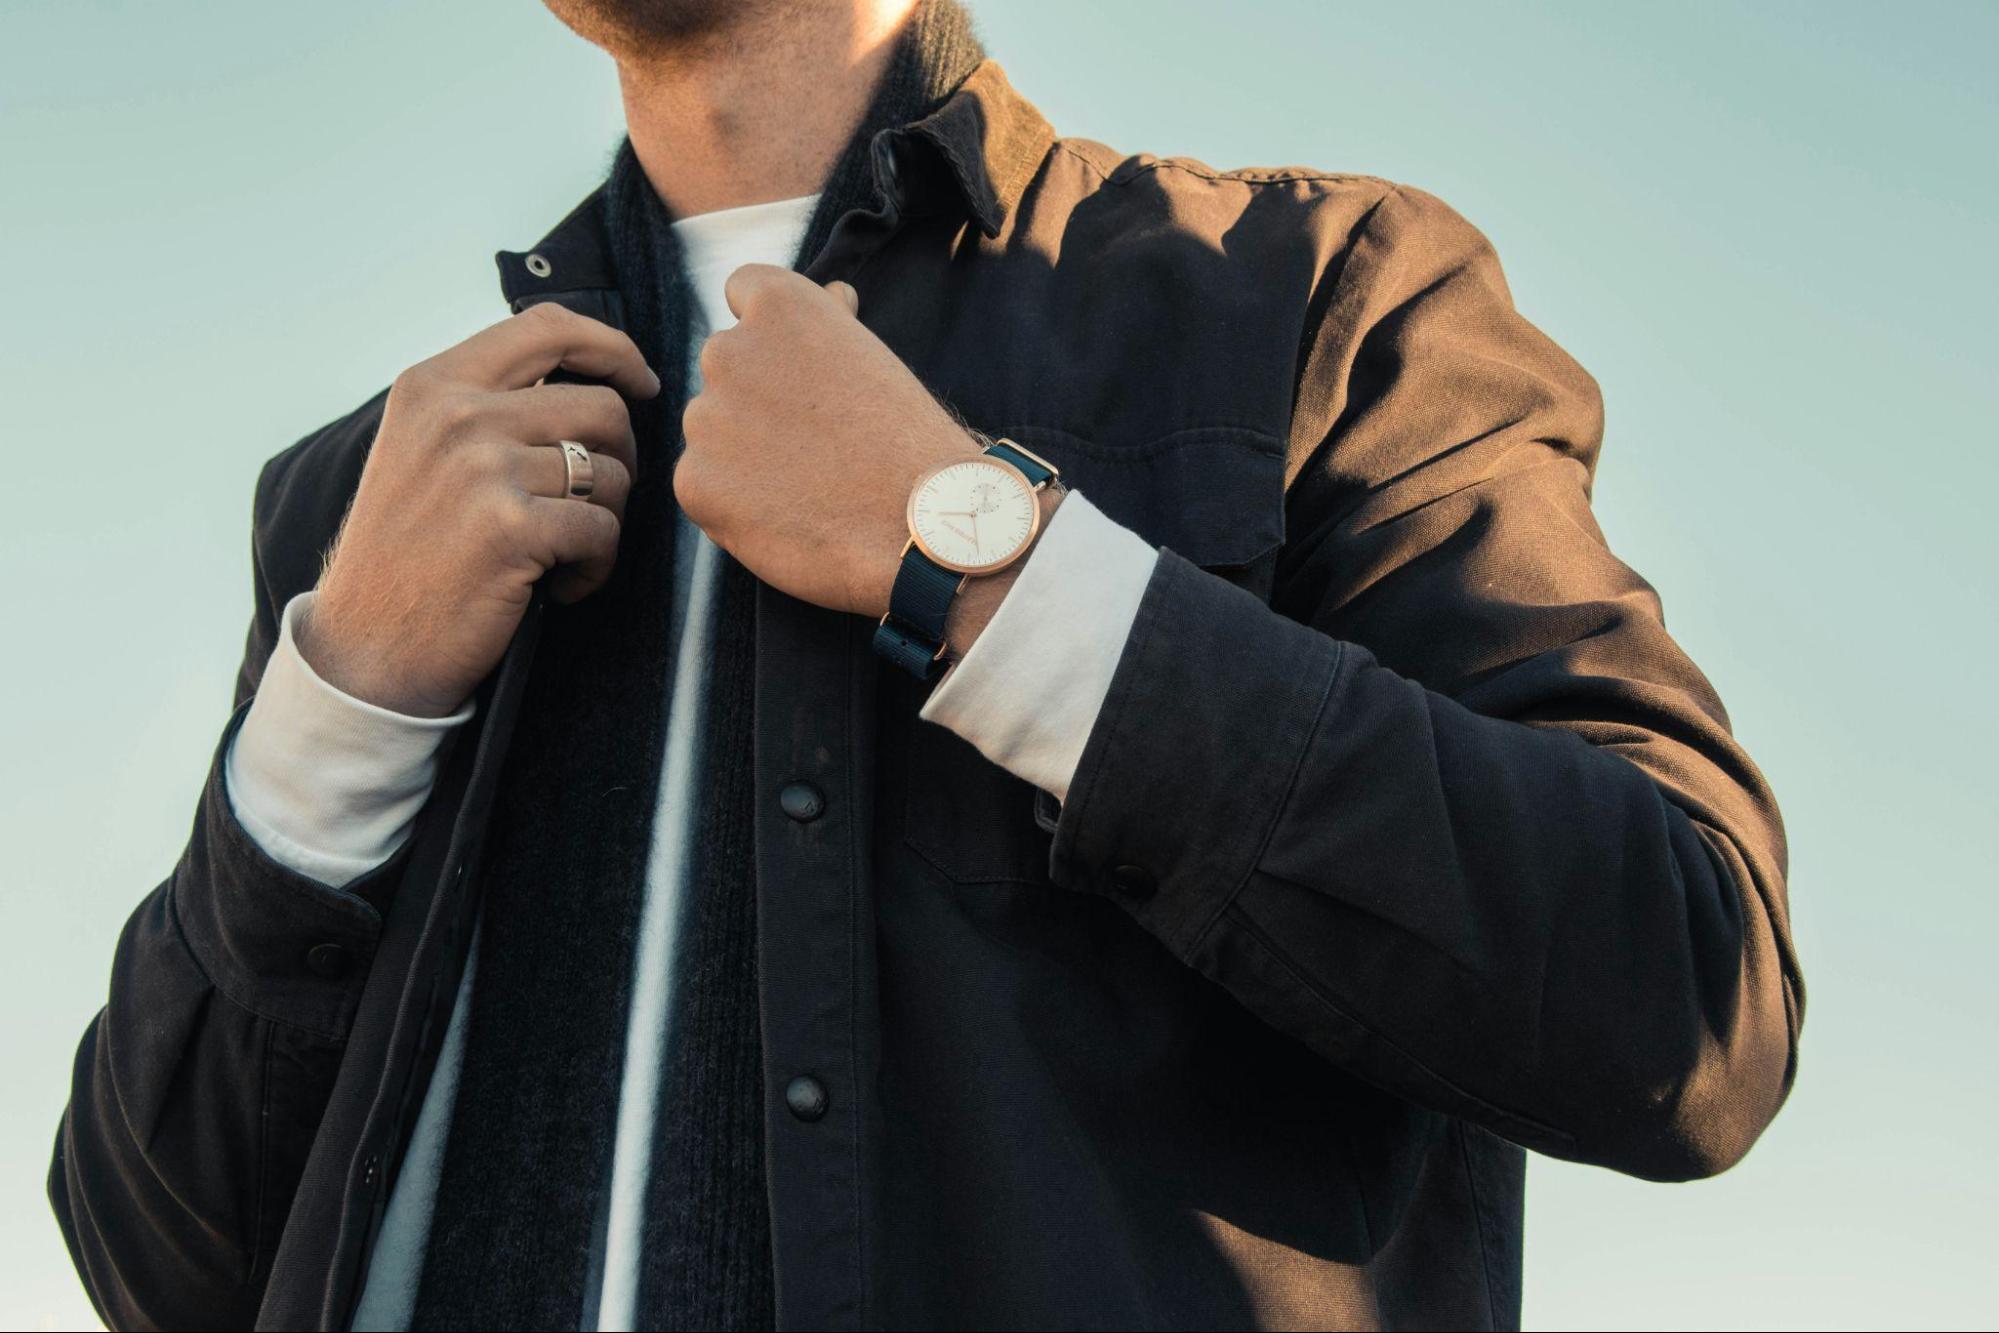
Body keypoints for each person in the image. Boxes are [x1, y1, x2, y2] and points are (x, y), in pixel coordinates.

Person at [49, 1, 1803, 1328]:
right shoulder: (370, 499)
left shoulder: (1316, 300)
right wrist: (338, 697)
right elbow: (161, 1267)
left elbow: (1688, 998)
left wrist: (991, 566)